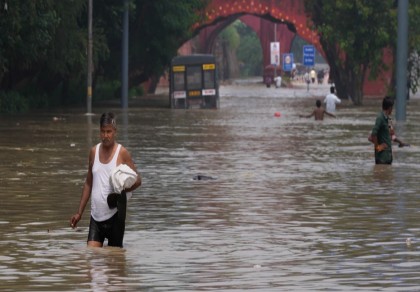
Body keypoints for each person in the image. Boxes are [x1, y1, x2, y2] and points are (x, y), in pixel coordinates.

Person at [70, 112, 142, 247]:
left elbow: (138, 180)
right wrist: (79, 213)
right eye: (103, 131)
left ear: (115, 131)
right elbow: (88, 183)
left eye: (109, 131)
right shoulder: (93, 152)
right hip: (96, 216)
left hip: (116, 216)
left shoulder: (122, 153)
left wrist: (122, 189)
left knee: (114, 261)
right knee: (92, 257)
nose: (105, 135)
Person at [370, 96, 394, 165]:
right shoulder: (380, 118)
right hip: (382, 158)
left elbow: (392, 135)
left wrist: (401, 143)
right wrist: (378, 147)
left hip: (388, 156)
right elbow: (373, 135)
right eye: (392, 107)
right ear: (390, 108)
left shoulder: (388, 119)